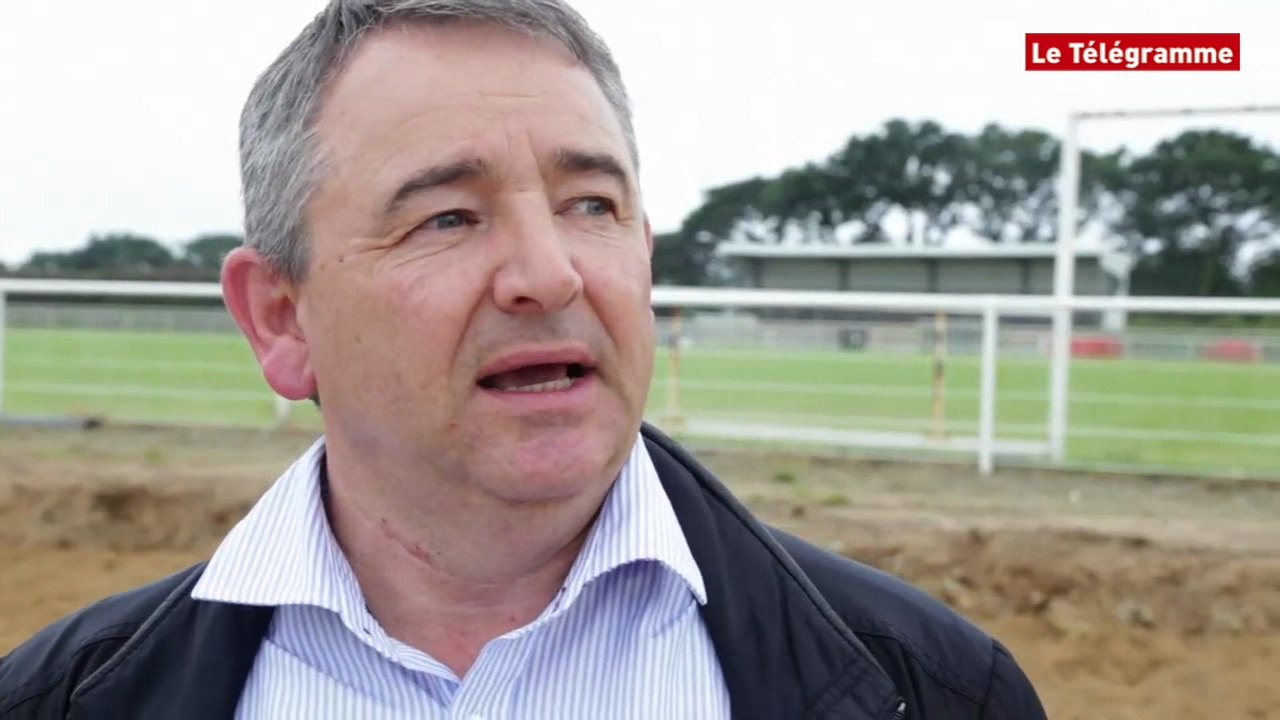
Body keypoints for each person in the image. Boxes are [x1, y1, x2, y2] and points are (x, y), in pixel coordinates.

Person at [0, 1, 1046, 717]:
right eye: (448, 217)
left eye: (589, 204)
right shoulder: (56, 701)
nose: (546, 275)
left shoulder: (938, 688)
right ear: (279, 318)